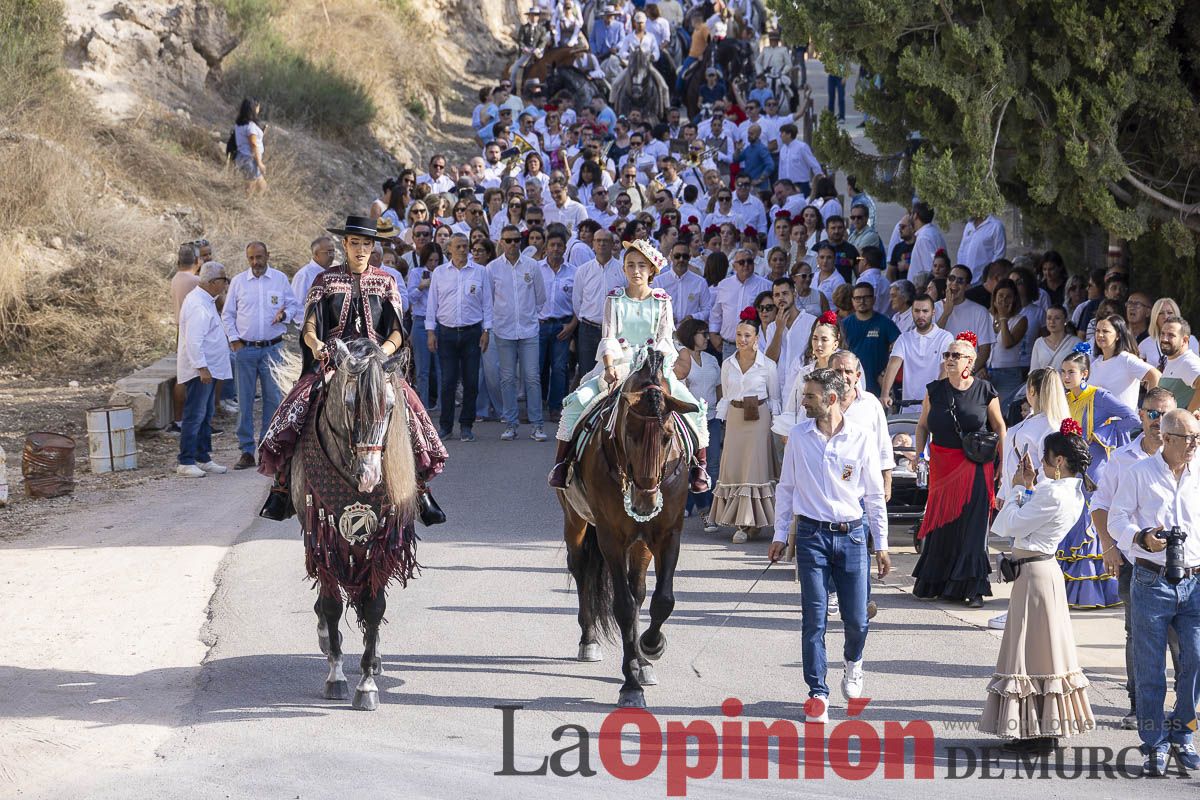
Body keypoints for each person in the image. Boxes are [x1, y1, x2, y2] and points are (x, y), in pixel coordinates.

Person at [256, 216, 446, 520]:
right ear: (344, 245)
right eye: (354, 243)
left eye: (366, 244)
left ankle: (421, 490)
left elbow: (398, 332)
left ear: (373, 247)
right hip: (333, 359)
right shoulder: (325, 281)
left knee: (411, 411)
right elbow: (309, 325)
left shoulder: (386, 281)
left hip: (377, 362)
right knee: (296, 407)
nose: (360, 249)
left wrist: (380, 353)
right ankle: (281, 487)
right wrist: (315, 344)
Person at [768, 367, 891, 724]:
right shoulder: (799, 435)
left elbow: (872, 496)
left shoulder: (860, 437)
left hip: (852, 536)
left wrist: (881, 544)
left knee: (856, 620)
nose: (803, 401)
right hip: (811, 537)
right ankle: (817, 692)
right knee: (815, 618)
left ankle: (853, 663)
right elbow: (786, 488)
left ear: (831, 399)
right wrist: (779, 535)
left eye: (809, 396)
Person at [548, 240, 710, 491]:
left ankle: (700, 467)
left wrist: (656, 368)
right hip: (618, 364)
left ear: (651, 271)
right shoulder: (614, 298)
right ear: (623, 269)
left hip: (654, 366)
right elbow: (608, 336)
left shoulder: (662, 300)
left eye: (641, 266)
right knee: (577, 401)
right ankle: (561, 464)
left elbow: (666, 340)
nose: (636, 271)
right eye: (630, 265)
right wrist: (610, 366)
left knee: (695, 408)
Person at [979, 420, 1096, 752]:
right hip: (1041, 572)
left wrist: (1018, 488)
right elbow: (1024, 522)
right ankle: (1044, 727)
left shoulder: (1054, 492)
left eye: (1045, 459)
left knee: (1030, 651)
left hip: (1035, 576)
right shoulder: (1071, 491)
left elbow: (1006, 524)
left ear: (1059, 461)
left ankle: (1038, 731)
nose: (1042, 465)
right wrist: (1028, 488)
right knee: (1045, 650)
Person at [1109, 409, 1200, 776]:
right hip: (1151, 578)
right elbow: (1117, 518)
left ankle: (1184, 734)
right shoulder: (1138, 474)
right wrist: (1141, 537)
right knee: (1150, 670)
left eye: (1198, 437)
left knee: (1195, 662)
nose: (1194, 445)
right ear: (1166, 439)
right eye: (1188, 438)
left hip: (1195, 580)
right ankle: (1154, 743)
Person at [1091, 387, 1180, 730]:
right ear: (1140, 416)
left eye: (1165, 414)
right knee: (1139, 635)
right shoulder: (1123, 459)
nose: (1159, 421)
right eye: (1152, 414)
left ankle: (1184, 709)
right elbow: (1101, 506)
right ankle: (1138, 705)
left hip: (1186, 564)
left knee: (1184, 638)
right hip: (1137, 562)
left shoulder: (1193, 457)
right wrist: (1109, 546)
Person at [912, 332, 1005, 607]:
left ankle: (973, 587)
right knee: (944, 523)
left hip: (976, 465)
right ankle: (939, 581)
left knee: (974, 526)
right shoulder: (934, 390)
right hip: (942, 464)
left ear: (970, 361)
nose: (950, 359)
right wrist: (920, 456)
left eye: (956, 355)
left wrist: (1003, 463)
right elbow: (922, 425)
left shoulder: (985, 390)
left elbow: (999, 427)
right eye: (947, 355)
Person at [1057, 347, 1136, 608]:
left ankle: (1097, 590)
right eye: (1064, 371)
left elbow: (1132, 418)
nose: (1066, 376)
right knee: (1071, 519)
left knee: (1089, 523)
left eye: (1071, 372)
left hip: (1094, 467)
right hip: (1071, 467)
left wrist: (1101, 435)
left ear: (1085, 374)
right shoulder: (1065, 398)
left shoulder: (1098, 396)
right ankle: (1069, 590)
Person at [221, 241, 300, 470]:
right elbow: (228, 315)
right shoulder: (238, 282)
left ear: (267, 256)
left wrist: (284, 315)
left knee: (273, 400)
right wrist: (234, 340)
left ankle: (268, 448)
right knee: (245, 402)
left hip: (273, 348)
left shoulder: (279, 279)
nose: (255, 262)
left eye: (259, 257)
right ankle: (246, 451)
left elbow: (294, 307)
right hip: (245, 350)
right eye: (251, 258)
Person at [710, 308, 781, 543]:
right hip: (735, 417)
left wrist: (774, 425)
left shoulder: (768, 365)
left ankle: (747, 524)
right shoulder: (728, 364)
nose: (742, 340)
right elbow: (726, 395)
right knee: (734, 467)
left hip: (759, 418)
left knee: (755, 469)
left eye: (747, 335)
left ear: (757, 338)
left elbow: (775, 398)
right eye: (739, 335)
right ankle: (739, 521)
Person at [426, 234, 493, 441]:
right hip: (446, 333)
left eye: (466, 246)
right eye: (459, 246)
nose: (464, 250)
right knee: (448, 382)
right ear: (450, 250)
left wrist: (486, 331)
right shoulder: (439, 273)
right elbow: (432, 303)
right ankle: (445, 427)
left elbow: (487, 304)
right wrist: (430, 332)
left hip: (472, 332)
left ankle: (466, 425)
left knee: (472, 381)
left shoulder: (480, 272)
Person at [489, 224, 548, 442]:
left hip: (529, 330)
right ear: (501, 241)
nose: (513, 244)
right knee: (507, 378)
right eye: (508, 240)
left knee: (532, 377)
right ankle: (511, 424)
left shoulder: (532, 266)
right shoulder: (492, 268)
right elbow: (490, 300)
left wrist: (529, 315)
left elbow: (541, 298)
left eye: (516, 240)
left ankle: (537, 425)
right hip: (503, 330)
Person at [176, 261, 232, 477]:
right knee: (195, 414)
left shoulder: (207, 300)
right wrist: (202, 368)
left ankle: (202, 456)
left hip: (209, 369)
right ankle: (186, 460)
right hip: (201, 371)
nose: (226, 284)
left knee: (206, 414)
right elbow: (193, 341)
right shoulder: (198, 304)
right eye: (223, 280)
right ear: (212, 282)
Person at [675, 318, 723, 525]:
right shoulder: (682, 360)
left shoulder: (712, 359)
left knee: (711, 465)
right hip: (689, 421)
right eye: (702, 333)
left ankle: (709, 507)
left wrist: (721, 413)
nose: (706, 337)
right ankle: (688, 505)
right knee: (688, 464)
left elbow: (720, 388)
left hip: (711, 418)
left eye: (706, 333)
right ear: (690, 336)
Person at [879, 294, 954, 411]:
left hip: (935, 406)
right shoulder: (904, 338)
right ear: (912, 312)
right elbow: (893, 365)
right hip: (908, 406)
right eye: (917, 311)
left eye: (925, 311)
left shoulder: (945, 337)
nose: (920, 315)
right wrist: (885, 393)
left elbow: (945, 369)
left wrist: (933, 397)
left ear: (933, 312)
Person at [709, 248, 772, 359]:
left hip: (755, 346)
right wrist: (713, 334)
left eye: (749, 261)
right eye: (742, 262)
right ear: (734, 266)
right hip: (729, 346)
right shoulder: (724, 285)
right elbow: (716, 313)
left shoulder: (766, 286)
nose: (746, 265)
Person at [841, 281, 899, 397]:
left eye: (866, 297)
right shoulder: (844, 325)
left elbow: (900, 348)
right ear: (852, 301)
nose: (862, 301)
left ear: (874, 299)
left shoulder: (885, 323)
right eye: (858, 298)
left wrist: (886, 373)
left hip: (878, 387)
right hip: (851, 385)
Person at [1089, 314, 1159, 409]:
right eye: (1097, 331)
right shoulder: (1095, 364)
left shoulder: (1126, 359)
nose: (1100, 335)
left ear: (1118, 335)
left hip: (1124, 422)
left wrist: (1149, 408)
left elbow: (1155, 375)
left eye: (1105, 331)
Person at [987, 278, 1033, 415]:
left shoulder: (1020, 320)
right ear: (994, 298)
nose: (1004, 300)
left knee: (1004, 415)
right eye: (1000, 296)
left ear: (1015, 300)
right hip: (987, 373)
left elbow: (1007, 343)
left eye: (1008, 297)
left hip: (1009, 374)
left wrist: (1003, 318)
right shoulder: (986, 316)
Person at [936, 265, 996, 367]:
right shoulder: (932, 308)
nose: (954, 283)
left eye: (960, 281)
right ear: (946, 281)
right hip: (937, 374)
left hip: (965, 377)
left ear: (967, 286)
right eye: (951, 278)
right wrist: (946, 314)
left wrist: (966, 374)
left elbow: (985, 350)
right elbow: (929, 341)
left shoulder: (980, 312)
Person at [407, 243, 442, 409]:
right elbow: (409, 299)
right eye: (430, 260)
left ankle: (443, 404)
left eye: (436, 260)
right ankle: (422, 406)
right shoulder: (416, 273)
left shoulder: (443, 273)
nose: (433, 264)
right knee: (423, 369)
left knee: (441, 367)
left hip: (440, 322)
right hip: (420, 321)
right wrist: (421, 287)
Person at [1155, 316, 1200, 412]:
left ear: (1184, 340)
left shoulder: (1188, 362)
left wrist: (1188, 413)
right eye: (1162, 334)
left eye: (1171, 335)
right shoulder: (1174, 361)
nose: (1164, 339)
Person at [1138, 297, 1200, 365]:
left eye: (1170, 312)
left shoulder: (1190, 340)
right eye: (1161, 313)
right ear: (1155, 317)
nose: (1166, 316)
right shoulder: (1144, 344)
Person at [1029, 304, 1082, 372]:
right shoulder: (1039, 343)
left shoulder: (1076, 342)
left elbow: (1082, 369)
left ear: (1065, 320)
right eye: (1049, 318)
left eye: (1057, 318)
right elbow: (1033, 371)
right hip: (1044, 382)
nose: (1052, 322)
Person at [956, 215, 1007, 283]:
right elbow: (962, 250)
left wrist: (987, 276)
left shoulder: (996, 226)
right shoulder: (969, 225)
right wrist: (960, 272)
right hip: (965, 281)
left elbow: (999, 254)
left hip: (981, 280)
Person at [291, 236, 337, 308]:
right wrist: (314, 318)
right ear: (316, 254)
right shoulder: (304, 275)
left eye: (333, 252)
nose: (332, 256)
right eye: (328, 252)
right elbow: (295, 306)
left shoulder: (334, 274)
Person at [233, 97, 267, 194]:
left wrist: (261, 135)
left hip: (242, 157)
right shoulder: (251, 126)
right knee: (250, 187)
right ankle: (245, 205)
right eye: (257, 107)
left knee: (261, 185)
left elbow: (249, 140)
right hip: (250, 159)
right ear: (252, 109)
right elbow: (253, 144)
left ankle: (254, 203)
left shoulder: (239, 124)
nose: (258, 109)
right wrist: (260, 163)